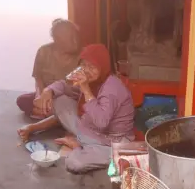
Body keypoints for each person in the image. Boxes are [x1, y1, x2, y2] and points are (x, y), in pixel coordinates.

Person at [18, 44, 135, 174]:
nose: (86, 70)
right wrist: (47, 91)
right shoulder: (91, 80)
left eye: (92, 67)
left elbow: (101, 122)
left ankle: (81, 146)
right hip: (90, 130)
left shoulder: (112, 88)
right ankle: (83, 142)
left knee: (74, 162)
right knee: (60, 100)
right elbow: (64, 85)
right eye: (84, 65)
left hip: (111, 141)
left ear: (103, 67)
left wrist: (85, 89)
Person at [16, 19, 80, 119]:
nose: (75, 42)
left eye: (75, 37)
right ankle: (54, 117)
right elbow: (38, 78)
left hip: (69, 98)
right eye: (70, 39)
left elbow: (76, 88)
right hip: (47, 96)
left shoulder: (82, 56)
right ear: (58, 40)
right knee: (22, 101)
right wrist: (40, 98)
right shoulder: (43, 51)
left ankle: (52, 116)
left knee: (73, 107)